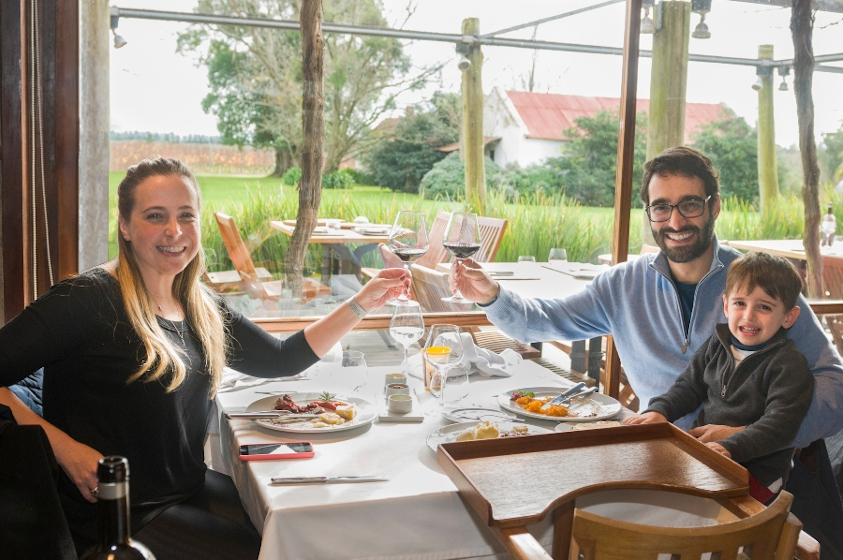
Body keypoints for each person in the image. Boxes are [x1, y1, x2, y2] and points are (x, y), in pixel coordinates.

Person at [0, 157, 408, 559]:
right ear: (124, 225)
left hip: (185, 490)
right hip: (118, 516)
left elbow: (281, 359)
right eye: (155, 215)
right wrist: (64, 448)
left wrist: (363, 302)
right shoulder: (86, 300)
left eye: (186, 216)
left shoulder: (196, 301)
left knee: (314, 530)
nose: (173, 231)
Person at [452, 146, 843, 449]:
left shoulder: (760, 285)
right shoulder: (623, 285)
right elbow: (541, 321)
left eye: (690, 204)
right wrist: (491, 295)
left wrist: (751, 434)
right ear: (650, 214)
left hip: (748, 464)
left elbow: (833, 385)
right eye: (661, 208)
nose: (675, 222)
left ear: (715, 206)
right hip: (654, 450)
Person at [624, 251, 814, 504]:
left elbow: (779, 427)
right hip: (705, 457)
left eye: (765, 307)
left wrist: (731, 447)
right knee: (637, 480)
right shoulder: (718, 344)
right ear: (725, 305)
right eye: (740, 303)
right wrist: (660, 411)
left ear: (789, 316)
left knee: (669, 504)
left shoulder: (789, 366)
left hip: (756, 474)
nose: (749, 316)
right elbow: (688, 387)